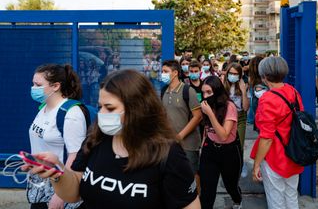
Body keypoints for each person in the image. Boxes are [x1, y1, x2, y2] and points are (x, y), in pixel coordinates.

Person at [24, 70, 201, 209]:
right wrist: (58, 173)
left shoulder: (168, 153)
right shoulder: (95, 140)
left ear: (137, 109)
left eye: (110, 108)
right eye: (100, 107)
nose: (101, 114)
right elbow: (74, 193)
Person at [28, 64, 87, 209]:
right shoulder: (44, 107)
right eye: (33, 84)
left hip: (60, 185)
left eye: (38, 85)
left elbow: (75, 156)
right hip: (40, 185)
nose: (33, 88)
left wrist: (60, 196)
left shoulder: (71, 114)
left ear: (55, 86)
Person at [250, 56, 304, 209]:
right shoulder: (293, 92)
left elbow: (266, 137)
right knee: (291, 196)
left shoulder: (267, 99)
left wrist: (256, 165)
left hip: (275, 155)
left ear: (265, 76)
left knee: (276, 201)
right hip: (294, 152)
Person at [199, 76, 243, 209]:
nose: (205, 96)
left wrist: (210, 114)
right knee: (207, 189)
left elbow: (224, 135)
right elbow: (206, 128)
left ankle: (237, 200)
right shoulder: (207, 105)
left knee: (230, 185)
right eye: (203, 92)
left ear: (217, 92)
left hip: (229, 151)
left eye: (209, 92)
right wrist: (203, 145)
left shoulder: (229, 107)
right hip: (210, 149)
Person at [161, 60, 202, 177]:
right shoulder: (164, 91)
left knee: (191, 175)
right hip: (169, 144)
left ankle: (197, 195)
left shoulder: (188, 91)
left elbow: (198, 117)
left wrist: (180, 136)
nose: (162, 74)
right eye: (162, 71)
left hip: (188, 144)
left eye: (165, 71)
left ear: (174, 73)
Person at [223, 63, 249, 177]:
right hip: (226, 117)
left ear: (240, 75)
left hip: (240, 117)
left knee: (239, 145)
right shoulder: (223, 84)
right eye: (231, 73)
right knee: (226, 144)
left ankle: (241, 165)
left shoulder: (243, 85)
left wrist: (243, 91)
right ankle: (227, 167)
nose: (233, 76)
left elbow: (246, 107)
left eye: (235, 74)